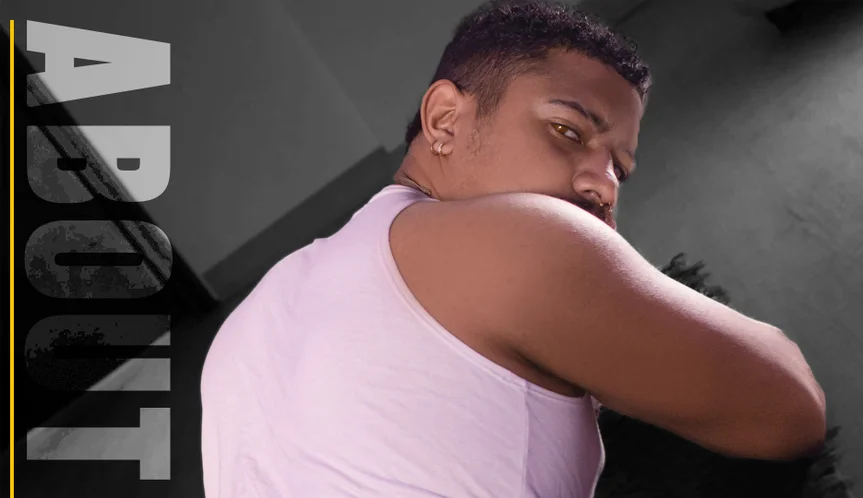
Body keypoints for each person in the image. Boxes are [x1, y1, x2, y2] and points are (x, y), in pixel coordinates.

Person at [200, 1, 827, 497]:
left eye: (620, 169)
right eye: (567, 131)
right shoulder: (520, 241)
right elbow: (789, 405)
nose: (605, 185)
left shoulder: (249, 320)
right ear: (445, 120)